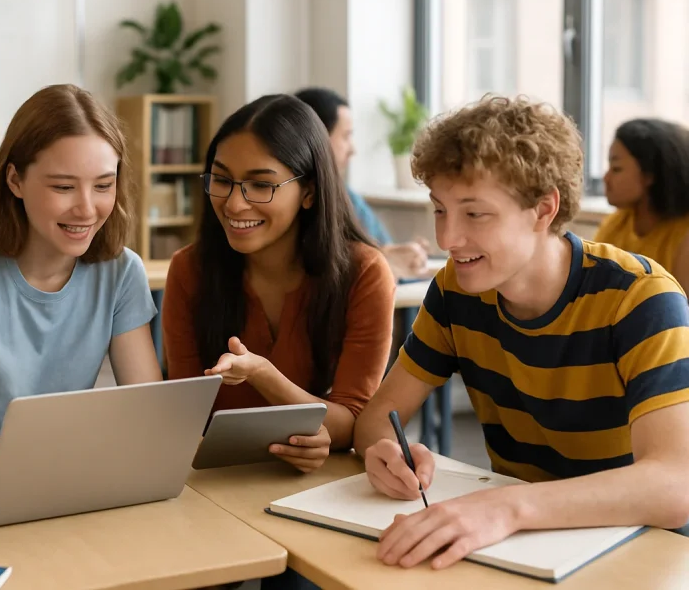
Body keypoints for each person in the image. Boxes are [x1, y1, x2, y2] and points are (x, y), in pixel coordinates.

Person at [354, 95, 689, 571]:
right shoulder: (455, 291)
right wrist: (389, 455)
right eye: (440, 210)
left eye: (474, 214)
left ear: (543, 209)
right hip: (519, 547)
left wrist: (507, 508)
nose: (448, 239)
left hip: (642, 549)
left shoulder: (640, 299)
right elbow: (373, 423)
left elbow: (674, 486)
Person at [0, 84, 163, 475]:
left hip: (60, 480)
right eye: (64, 187)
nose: (87, 208)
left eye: (104, 185)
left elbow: (149, 413)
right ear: (15, 180)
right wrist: (47, 463)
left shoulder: (121, 272)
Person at [163, 94, 396, 474]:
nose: (235, 205)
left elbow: (353, 420)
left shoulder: (364, 273)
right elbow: (186, 412)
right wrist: (309, 421)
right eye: (222, 180)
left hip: (316, 487)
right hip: (212, 480)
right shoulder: (191, 269)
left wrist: (263, 375)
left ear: (309, 191)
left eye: (260, 185)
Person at [295, 87, 430, 280]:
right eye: (346, 136)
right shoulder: (297, 201)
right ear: (318, 140)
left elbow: (379, 246)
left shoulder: (346, 195)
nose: (353, 149)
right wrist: (380, 259)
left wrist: (407, 254)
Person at [594, 117, 689, 291]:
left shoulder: (683, 234)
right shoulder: (615, 224)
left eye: (616, 168)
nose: (606, 178)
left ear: (649, 175)